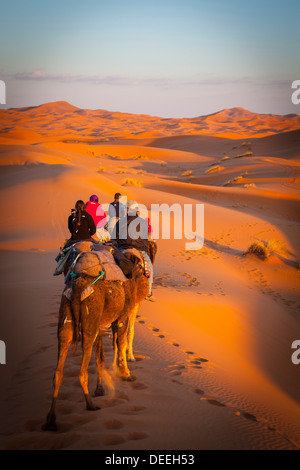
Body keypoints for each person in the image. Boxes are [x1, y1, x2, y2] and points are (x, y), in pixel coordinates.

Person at [114, 200, 155, 301]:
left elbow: (114, 238)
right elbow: (145, 240)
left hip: (122, 248)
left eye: (125, 209)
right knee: (149, 268)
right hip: (139, 250)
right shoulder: (143, 222)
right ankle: (149, 292)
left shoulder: (120, 221)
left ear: (128, 210)